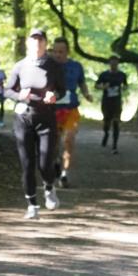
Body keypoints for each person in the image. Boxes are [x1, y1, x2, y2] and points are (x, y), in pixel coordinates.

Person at [3, 28, 66, 219]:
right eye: (34, 39)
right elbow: (7, 90)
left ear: (46, 44)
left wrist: (54, 96)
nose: (37, 43)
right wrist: (18, 95)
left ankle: (49, 186)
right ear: (28, 43)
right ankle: (32, 205)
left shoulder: (54, 66)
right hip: (24, 118)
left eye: (40, 40)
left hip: (46, 118)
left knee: (45, 162)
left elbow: (63, 90)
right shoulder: (20, 66)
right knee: (27, 164)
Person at [51, 37, 92, 188]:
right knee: (54, 143)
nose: (58, 54)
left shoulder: (76, 66)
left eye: (61, 52)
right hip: (53, 110)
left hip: (71, 109)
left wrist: (86, 94)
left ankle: (64, 174)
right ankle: (56, 162)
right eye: (55, 51)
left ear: (67, 52)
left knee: (69, 140)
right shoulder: (48, 67)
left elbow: (82, 82)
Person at [96, 55, 128, 154]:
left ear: (118, 63)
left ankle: (114, 146)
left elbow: (125, 85)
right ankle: (106, 133)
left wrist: (124, 88)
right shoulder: (104, 75)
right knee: (107, 122)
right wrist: (103, 87)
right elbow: (96, 85)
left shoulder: (122, 75)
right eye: (112, 63)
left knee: (116, 122)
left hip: (117, 101)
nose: (113, 65)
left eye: (115, 63)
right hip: (106, 101)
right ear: (109, 63)